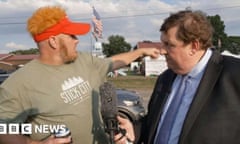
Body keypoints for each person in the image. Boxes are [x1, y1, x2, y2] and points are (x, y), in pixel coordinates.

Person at [0, 6, 160, 144]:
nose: (77, 41)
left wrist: (140, 51)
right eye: (72, 36)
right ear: (53, 41)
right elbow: (4, 130)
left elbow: (113, 62)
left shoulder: (83, 60)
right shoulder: (18, 84)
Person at [137, 10, 240, 144]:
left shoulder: (233, 74)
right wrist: (134, 129)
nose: (162, 50)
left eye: (169, 44)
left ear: (193, 46)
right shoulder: (165, 78)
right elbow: (153, 122)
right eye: (163, 43)